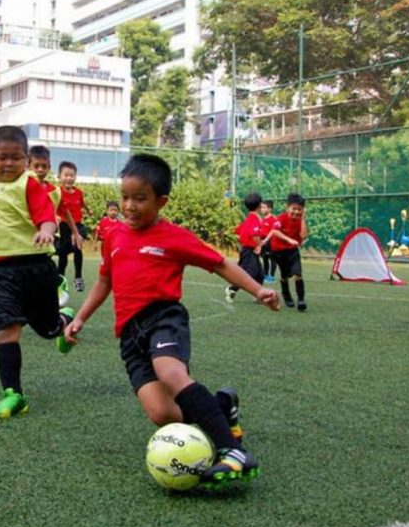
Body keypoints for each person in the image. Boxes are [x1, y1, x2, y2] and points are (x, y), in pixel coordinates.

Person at [63, 154, 279, 490]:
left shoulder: (173, 236)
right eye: (125, 197)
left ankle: (233, 450)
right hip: (129, 335)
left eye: (140, 198)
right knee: (162, 414)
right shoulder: (115, 237)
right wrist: (79, 318)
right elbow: (105, 281)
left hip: (164, 317)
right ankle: (222, 405)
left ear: (161, 201)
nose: (129, 206)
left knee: (171, 373)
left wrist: (258, 290)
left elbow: (219, 262)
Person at [0, 125, 74, 419]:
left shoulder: (30, 184)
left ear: (26, 159)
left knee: (46, 329)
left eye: (16, 158)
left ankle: (61, 321)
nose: (8, 163)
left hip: (35, 267)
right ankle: (14, 394)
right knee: (5, 329)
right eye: (1, 157)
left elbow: (47, 217)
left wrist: (46, 231)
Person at [27, 145, 80, 305]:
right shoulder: (22, 186)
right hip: (25, 238)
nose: (40, 169)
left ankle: (55, 287)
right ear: (28, 166)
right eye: (36, 166)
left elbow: (66, 212)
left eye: (44, 166)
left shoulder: (55, 191)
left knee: (41, 270)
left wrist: (76, 233)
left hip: (46, 238)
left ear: (49, 168)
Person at [268, 193, 309, 311]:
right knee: (285, 276)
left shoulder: (300, 220)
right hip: (279, 252)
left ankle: (301, 300)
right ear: (288, 208)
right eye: (294, 209)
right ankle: (286, 295)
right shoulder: (282, 217)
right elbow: (275, 232)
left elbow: (303, 235)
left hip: (293, 252)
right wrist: (289, 239)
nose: (296, 212)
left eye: (299, 209)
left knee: (298, 275)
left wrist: (303, 219)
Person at [56, 161, 91, 292]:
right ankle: (60, 280)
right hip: (64, 227)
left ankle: (78, 277)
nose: (69, 178)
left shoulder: (79, 192)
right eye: (66, 175)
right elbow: (51, 207)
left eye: (72, 175)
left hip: (78, 226)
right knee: (62, 256)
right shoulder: (57, 192)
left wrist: (88, 211)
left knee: (78, 246)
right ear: (59, 176)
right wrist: (56, 218)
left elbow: (82, 204)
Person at [225, 192, 264, 304]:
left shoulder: (250, 218)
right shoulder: (254, 219)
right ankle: (232, 289)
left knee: (260, 273)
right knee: (248, 274)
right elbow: (254, 233)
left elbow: (240, 231)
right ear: (259, 205)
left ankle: (259, 296)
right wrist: (259, 245)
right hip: (249, 251)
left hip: (248, 250)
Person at [259, 200, 277, 284]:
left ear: (269, 209)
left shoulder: (273, 219)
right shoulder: (262, 219)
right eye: (261, 207)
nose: (262, 209)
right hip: (263, 243)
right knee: (265, 259)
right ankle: (265, 274)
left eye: (264, 207)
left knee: (273, 259)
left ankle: (272, 276)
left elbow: (273, 231)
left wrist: (267, 240)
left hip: (271, 243)